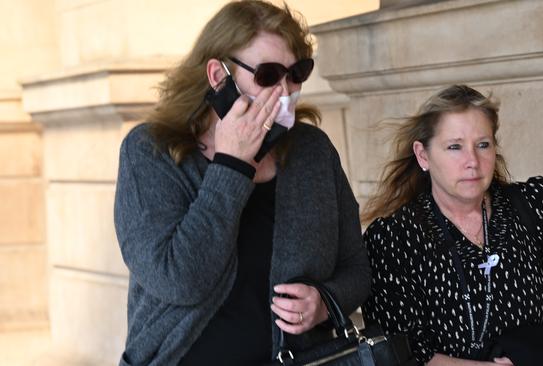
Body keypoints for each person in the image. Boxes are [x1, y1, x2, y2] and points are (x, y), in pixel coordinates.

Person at [113, 1, 370, 365]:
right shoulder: (150, 152)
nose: (284, 91)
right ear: (219, 76)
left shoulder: (312, 152)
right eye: (267, 75)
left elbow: (357, 269)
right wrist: (232, 165)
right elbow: (180, 281)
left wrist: (325, 302)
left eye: (296, 73)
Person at [361, 85, 543, 366]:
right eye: (454, 147)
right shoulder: (394, 240)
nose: (472, 162)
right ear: (423, 155)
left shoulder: (526, 209)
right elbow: (404, 350)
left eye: (482, 144)